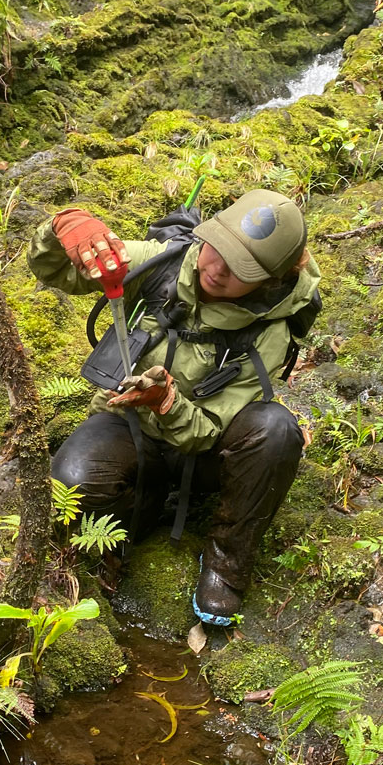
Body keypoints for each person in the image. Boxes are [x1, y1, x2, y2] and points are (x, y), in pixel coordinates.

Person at [27, 190, 321, 626]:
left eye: (239, 268)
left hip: (203, 451)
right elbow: (55, 269)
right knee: (69, 487)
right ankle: (143, 514)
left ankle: (226, 562)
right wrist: (65, 228)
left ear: (270, 280)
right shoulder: (160, 263)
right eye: (214, 247)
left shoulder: (271, 331)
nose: (215, 269)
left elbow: (208, 430)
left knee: (276, 429)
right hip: (126, 422)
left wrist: (165, 401)